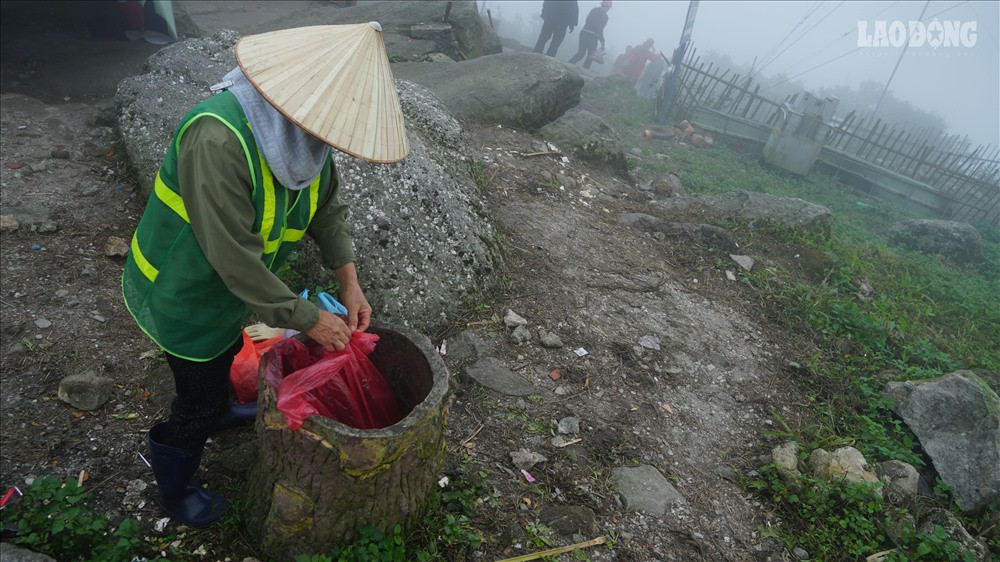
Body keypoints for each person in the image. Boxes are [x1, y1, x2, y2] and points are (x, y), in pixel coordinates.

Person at [120, 22, 408, 528]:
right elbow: (231, 256)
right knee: (197, 392)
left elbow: (327, 207)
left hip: (236, 292)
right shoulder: (218, 137)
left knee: (227, 353)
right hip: (182, 289)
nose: (329, 139)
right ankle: (175, 487)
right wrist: (307, 318)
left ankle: (220, 409)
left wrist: (349, 281)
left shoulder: (302, 133)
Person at [568, 0, 611, 70]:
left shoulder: (594, 10)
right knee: (590, 56)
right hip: (592, 37)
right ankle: (584, 71)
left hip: (583, 32)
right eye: (608, 7)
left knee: (580, 53)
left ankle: (568, 65)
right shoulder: (605, 17)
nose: (607, 9)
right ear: (608, 7)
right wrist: (602, 43)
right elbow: (599, 30)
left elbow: (587, 20)